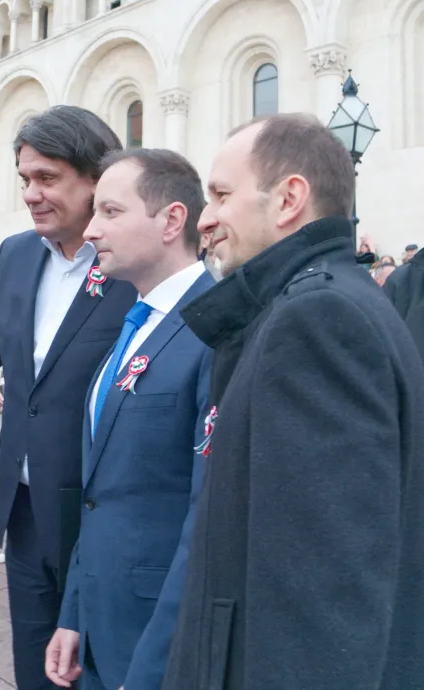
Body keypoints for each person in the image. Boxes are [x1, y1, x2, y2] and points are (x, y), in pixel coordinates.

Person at [163, 114, 424, 689]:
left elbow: (323, 595)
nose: (206, 218)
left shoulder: (315, 320)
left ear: (288, 199)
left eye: (222, 195)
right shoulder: (319, 304)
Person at [0, 105, 137, 689]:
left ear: (96, 180)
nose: (31, 193)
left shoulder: (135, 265)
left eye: (47, 178)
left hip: (98, 511)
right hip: (23, 505)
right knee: (36, 664)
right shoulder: (17, 254)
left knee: (96, 666)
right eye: (25, 178)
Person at [45, 149, 215, 689]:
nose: (91, 229)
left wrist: (154, 664)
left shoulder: (216, 329)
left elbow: (206, 515)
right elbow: (103, 491)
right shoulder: (133, 319)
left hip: (158, 642)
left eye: (111, 213)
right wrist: (76, 611)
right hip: (102, 621)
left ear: (171, 220)